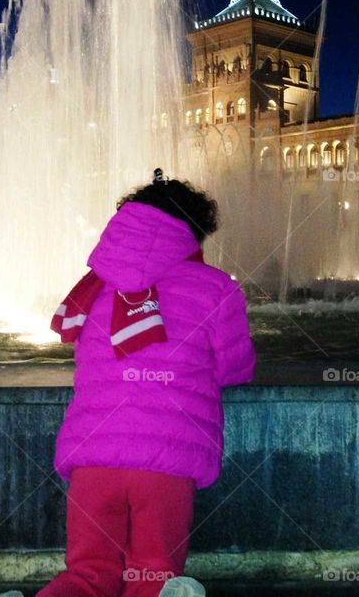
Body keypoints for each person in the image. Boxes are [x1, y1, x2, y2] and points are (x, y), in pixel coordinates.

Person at [37, 171, 256, 597]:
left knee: (86, 575)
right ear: (193, 233)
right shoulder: (216, 288)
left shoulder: (92, 288)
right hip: (166, 464)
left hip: (93, 461)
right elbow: (235, 369)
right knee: (153, 575)